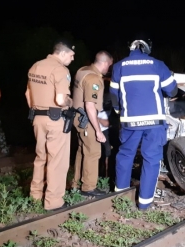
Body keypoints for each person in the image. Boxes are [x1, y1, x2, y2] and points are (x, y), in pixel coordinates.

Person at [110, 36, 178, 211]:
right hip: (154, 123)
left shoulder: (118, 67)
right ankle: (144, 203)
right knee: (151, 159)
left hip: (129, 122)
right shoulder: (157, 65)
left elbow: (113, 96)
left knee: (125, 156)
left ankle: (121, 199)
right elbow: (172, 90)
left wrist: (120, 112)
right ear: (148, 48)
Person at [25, 39, 75, 211]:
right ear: (61, 53)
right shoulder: (61, 70)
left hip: (37, 118)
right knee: (57, 161)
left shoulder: (35, 66)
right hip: (55, 119)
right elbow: (61, 100)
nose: (72, 58)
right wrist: (70, 101)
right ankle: (53, 202)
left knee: (40, 157)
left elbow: (28, 95)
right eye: (71, 55)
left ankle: (35, 195)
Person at [72, 51, 113, 196]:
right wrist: (98, 130)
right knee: (93, 152)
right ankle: (89, 187)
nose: (109, 68)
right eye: (109, 65)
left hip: (77, 117)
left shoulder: (82, 71)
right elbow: (90, 106)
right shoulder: (93, 79)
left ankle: (76, 184)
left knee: (82, 151)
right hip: (87, 119)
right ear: (104, 63)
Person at [97, 109, 111, 178]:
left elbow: (106, 123)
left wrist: (97, 118)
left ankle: (106, 177)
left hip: (107, 131)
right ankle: (101, 176)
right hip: (98, 130)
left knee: (107, 153)